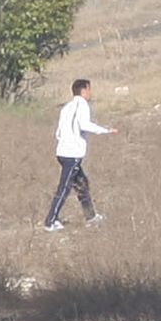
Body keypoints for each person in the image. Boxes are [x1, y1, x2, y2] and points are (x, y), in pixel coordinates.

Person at [42, 78, 117, 231]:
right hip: (72, 153)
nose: (90, 93)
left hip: (62, 151)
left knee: (82, 183)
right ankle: (50, 221)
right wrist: (105, 130)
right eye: (89, 89)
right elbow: (85, 124)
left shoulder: (67, 107)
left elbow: (59, 132)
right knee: (64, 187)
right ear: (83, 90)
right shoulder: (82, 104)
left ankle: (91, 216)